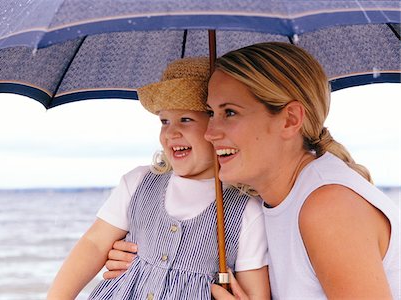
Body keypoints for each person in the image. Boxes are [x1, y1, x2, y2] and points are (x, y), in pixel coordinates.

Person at [104, 42, 400, 299]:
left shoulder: (327, 208)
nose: (211, 133)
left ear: (289, 119)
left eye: (229, 112)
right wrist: (144, 258)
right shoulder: (271, 201)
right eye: (210, 113)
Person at [46, 57, 270, 300]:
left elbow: (254, 292)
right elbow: (95, 244)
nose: (171, 132)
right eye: (164, 121)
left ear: (217, 127)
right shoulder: (138, 182)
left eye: (186, 119)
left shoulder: (245, 210)